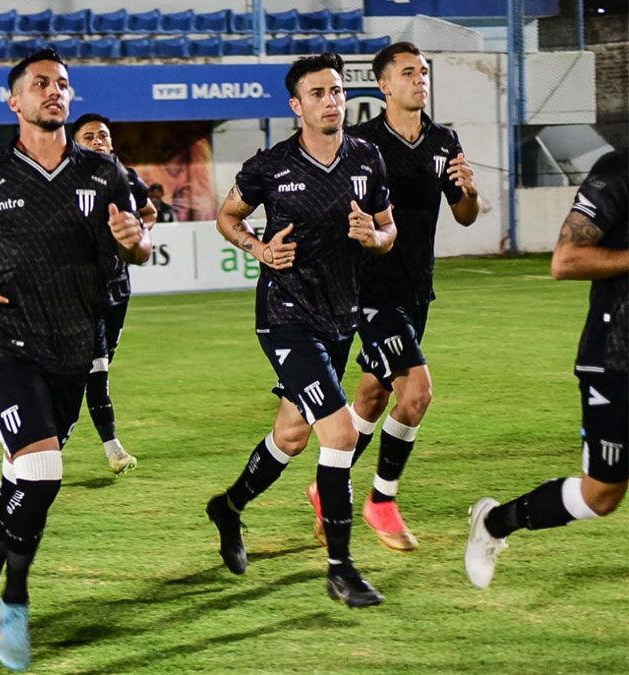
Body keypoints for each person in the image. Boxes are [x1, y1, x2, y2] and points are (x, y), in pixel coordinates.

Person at [0, 49, 151, 671]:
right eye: (39, 84)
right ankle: (15, 602)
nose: (53, 91)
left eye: (61, 83)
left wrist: (135, 244)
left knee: (25, 483)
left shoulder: (103, 172)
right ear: (15, 101)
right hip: (3, 343)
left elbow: (137, 245)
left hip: (73, 347)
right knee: (43, 470)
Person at [205, 53, 396, 607]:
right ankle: (341, 569)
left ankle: (228, 507)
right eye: (317, 93)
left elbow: (389, 231)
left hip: (340, 318)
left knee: (290, 436)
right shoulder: (271, 166)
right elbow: (227, 217)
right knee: (340, 434)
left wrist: (374, 237)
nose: (331, 101)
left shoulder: (367, 158)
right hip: (285, 318)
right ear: (297, 105)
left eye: (336, 91)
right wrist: (259, 248)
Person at [306, 42, 483, 552]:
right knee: (417, 393)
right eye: (408, 72)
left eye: (423, 71)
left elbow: (464, 215)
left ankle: (326, 487)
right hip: (369, 289)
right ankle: (381, 500)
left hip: (416, 288)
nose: (419, 79)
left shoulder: (444, 140)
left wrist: (470, 192)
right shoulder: (360, 142)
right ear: (384, 85)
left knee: (373, 396)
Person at [465, 148, 626, 589]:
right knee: (600, 496)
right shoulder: (617, 173)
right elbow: (565, 259)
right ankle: (495, 523)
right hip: (615, 360)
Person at [72, 112, 159, 474]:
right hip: (80, 292)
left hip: (118, 289)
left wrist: (137, 234)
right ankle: (114, 449)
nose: (98, 141)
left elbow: (149, 211)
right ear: (75, 144)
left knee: (95, 367)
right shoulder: (65, 180)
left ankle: (56, 431)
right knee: (98, 370)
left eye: (103, 135)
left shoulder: (125, 177)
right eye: (89, 136)